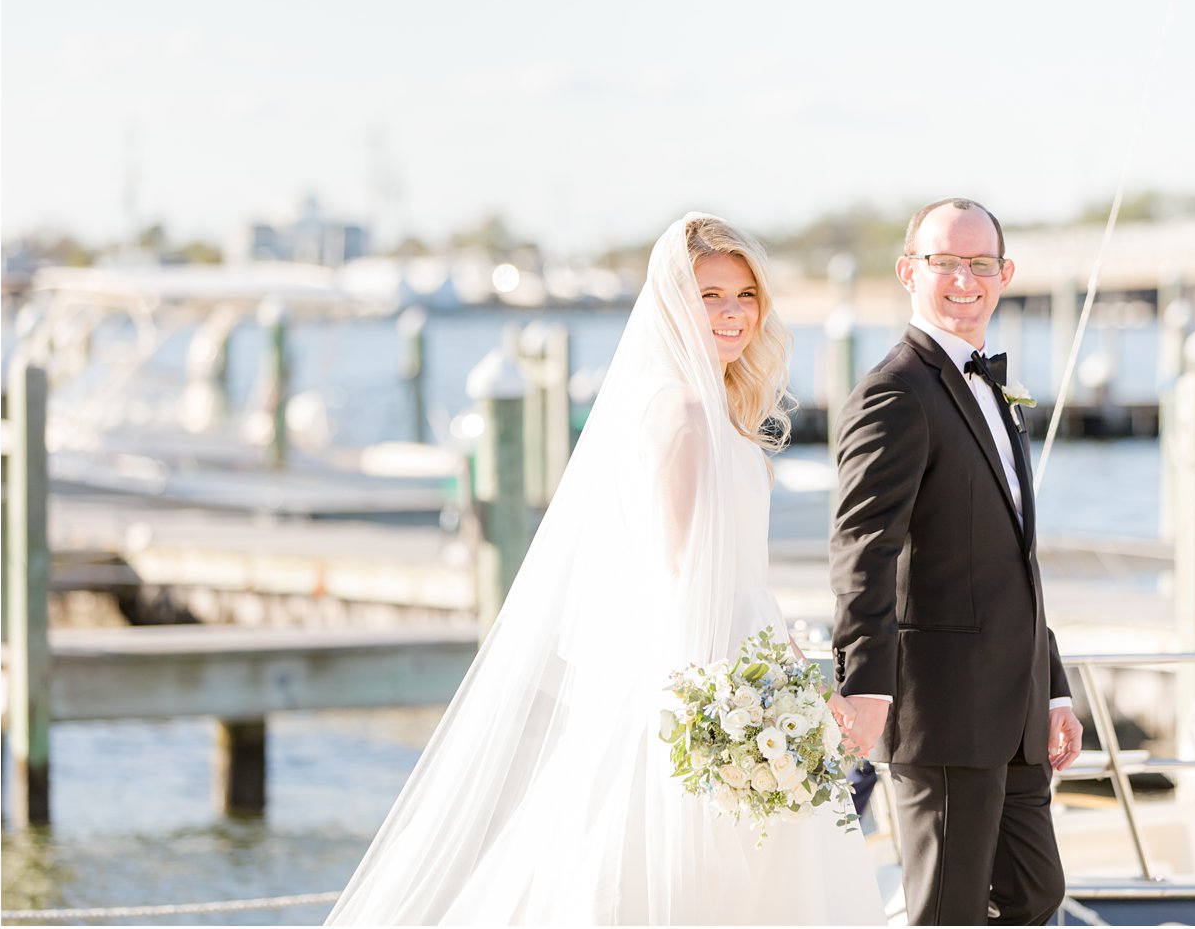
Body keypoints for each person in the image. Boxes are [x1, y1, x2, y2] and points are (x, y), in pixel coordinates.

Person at [328, 213, 883, 925]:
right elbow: (688, 581)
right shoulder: (681, 412)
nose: (733, 313)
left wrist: (795, 681)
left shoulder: (710, 406)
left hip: (743, 659)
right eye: (710, 294)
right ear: (671, 304)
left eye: (745, 295)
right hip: (710, 684)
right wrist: (749, 710)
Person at [828, 197, 1083, 926]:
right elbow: (862, 548)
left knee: (1035, 895)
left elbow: (1015, 560)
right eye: (945, 261)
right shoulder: (893, 392)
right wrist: (866, 683)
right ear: (911, 271)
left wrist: (1055, 686)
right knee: (947, 914)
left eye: (979, 263)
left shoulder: (995, 389)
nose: (964, 279)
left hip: (1017, 709)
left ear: (1004, 274)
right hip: (941, 710)